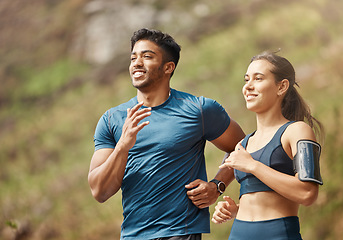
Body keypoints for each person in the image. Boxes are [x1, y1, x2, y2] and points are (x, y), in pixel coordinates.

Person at [88, 28, 245, 240]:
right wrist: (123, 146)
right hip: (133, 235)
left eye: (147, 56)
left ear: (168, 68)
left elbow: (243, 147)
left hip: (181, 233)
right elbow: (100, 191)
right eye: (133, 57)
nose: (137, 62)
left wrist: (217, 186)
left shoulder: (199, 109)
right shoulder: (111, 120)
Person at [211, 52, 324, 240]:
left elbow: (307, 193)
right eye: (246, 79)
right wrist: (236, 210)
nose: (248, 86)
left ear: (281, 86)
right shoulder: (243, 144)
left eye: (258, 78)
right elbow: (263, 199)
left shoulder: (297, 131)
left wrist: (253, 166)